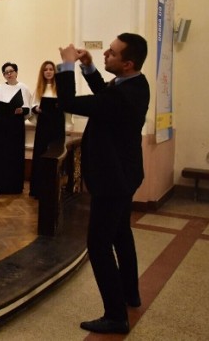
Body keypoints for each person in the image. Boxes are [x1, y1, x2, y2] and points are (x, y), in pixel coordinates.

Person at [56, 33, 149, 335]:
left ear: (128, 63)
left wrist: (67, 66)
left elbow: (69, 102)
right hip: (124, 175)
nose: (106, 53)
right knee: (121, 234)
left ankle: (115, 315)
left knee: (97, 245)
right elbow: (104, 97)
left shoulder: (123, 96)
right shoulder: (134, 84)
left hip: (112, 180)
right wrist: (89, 67)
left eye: (112, 52)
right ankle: (130, 294)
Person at [0, 62, 31, 194]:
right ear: (3, 75)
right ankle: (1, 185)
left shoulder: (23, 88)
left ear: (16, 72)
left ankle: (15, 186)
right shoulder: (0, 88)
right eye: (6, 72)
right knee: (1, 156)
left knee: (15, 156)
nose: (9, 74)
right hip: (1, 126)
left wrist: (21, 110)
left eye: (11, 71)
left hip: (16, 126)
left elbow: (28, 109)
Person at [28, 60, 65, 198]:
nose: (48, 71)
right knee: (41, 155)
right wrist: (36, 108)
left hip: (56, 126)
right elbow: (33, 106)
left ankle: (53, 190)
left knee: (54, 155)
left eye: (51, 69)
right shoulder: (39, 89)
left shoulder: (60, 88)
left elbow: (67, 105)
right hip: (43, 126)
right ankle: (38, 189)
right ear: (42, 73)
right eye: (46, 69)